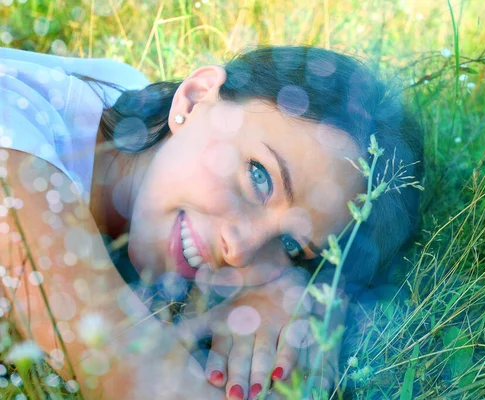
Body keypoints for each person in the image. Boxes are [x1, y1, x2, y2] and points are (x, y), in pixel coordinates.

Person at [0, 44, 423, 399]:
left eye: (291, 245)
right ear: (195, 98)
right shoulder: (13, 140)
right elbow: (129, 372)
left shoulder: (130, 108)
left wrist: (295, 294)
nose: (240, 250)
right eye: (259, 176)